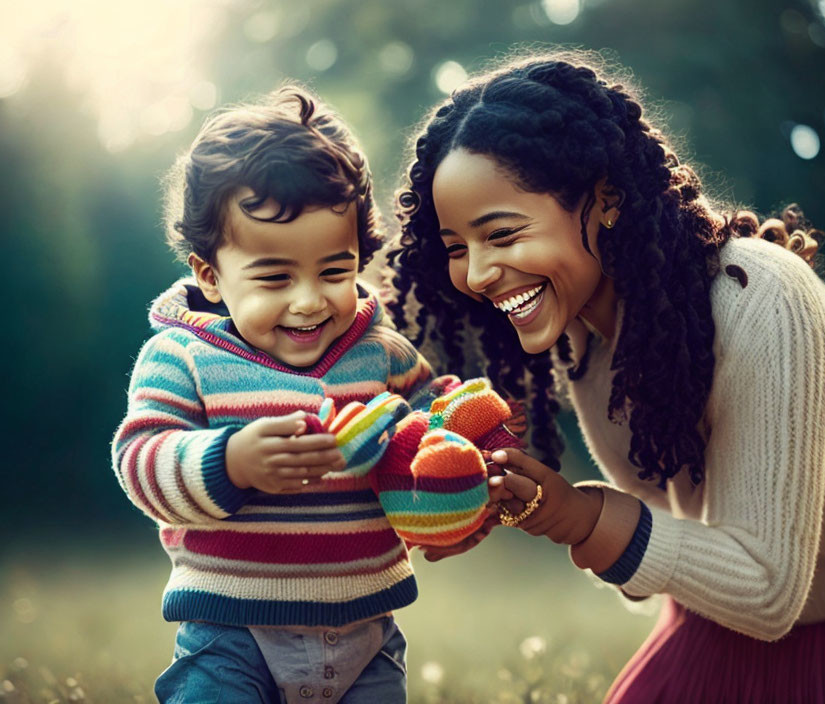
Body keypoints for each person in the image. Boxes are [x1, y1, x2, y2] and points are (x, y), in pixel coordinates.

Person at [387, 50, 825, 702]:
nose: (479, 273)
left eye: (502, 234)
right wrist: (514, 501)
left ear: (605, 200)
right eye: (458, 248)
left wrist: (578, 516)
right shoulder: (587, 341)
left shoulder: (760, 296)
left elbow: (768, 590)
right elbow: (667, 551)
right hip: (718, 626)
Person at [111, 83, 520, 704]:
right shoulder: (182, 358)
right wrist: (230, 462)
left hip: (367, 631)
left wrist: (474, 445)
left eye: (335, 271)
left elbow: (430, 413)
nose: (309, 300)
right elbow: (140, 459)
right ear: (209, 275)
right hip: (231, 632)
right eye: (274, 277)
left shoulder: (376, 349)